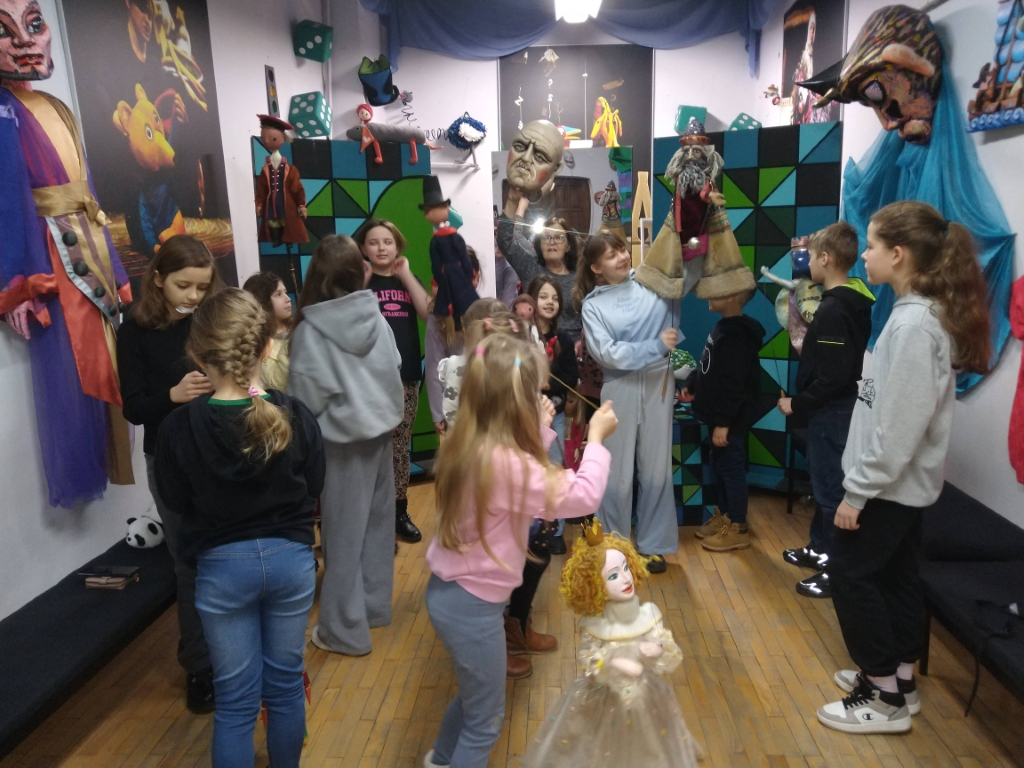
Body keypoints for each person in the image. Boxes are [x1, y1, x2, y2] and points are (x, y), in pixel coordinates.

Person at [816, 202, 991, 734]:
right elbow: (885, 407)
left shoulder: (915, 325)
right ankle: (901, 680)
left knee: (851, 576)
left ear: (897, 254)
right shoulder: (910, 315)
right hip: (896, 486)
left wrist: (856, 492)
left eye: (870, 246)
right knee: (895, 577)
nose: (863, 256)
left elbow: (898, 428)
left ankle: (883, 695)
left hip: (885, 489)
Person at [423, 334, 616, 768]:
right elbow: (581, 495)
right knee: (485, 721)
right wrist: (597, 440)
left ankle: (441, 760)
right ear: (516, 402)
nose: (544, 396)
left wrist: (541, 430)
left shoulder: (472, 440)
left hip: (456, 596)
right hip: (471, 607)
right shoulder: (507, 464)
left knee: (474, 700)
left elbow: (517, 475)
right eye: (537, 391)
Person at [154, 289, 324, 768]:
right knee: (285, 686)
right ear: (267, 347)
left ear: (197, 354)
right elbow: (315, 486)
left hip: (222, 571)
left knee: (235, 701)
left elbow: (175, 502)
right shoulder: (296, 415)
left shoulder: (177, 428)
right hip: (291, 564)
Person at [117, 235, 224, 713]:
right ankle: (200, 667)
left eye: (202, 287)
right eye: (184, 286)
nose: (194, 296)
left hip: (219, 451)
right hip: (170, 459)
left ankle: (238, 653)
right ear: (158, 278)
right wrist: (173, 396)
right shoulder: (135, 329)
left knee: (228, 554)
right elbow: (134, 408)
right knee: (190, 563)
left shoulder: (211, 320)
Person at [288, 234, 404, 657]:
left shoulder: (310, 330)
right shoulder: (375, 315)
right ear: (361, 271)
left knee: (341, 537)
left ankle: (344, 630)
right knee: (376, 528)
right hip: (380, 436)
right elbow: (394, 367)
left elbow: (304, 401)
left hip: (339, 445)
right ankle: (372, 609)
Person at [522, 520, 699, 768]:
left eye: (626, 568)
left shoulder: (648, 614)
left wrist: (657, 647)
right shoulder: (594, 626)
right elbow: (589, 659)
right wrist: (614, 662)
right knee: (599, 746)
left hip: (645, 694)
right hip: (603, 697)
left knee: (649, 742)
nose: (625, 578)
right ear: (594, 586)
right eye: (613, 576)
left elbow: (666, 644)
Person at [777, 222, 875, 598]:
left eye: (811, 257)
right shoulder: (844, 302)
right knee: (821, 486)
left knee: (831, 490)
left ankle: (837, 571)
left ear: (825, 258)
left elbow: (833, 376)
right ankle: (819, 548)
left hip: (832, 412)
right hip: (830, 411)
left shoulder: (835, 309)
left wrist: (796, 403)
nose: (806, 264)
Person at [577, 231, 679, 573]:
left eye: (621, 249)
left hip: (658, 382)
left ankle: (654, 545)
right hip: (618, 386)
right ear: (596, 267)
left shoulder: (652, 282)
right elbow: (607, 353)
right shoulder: (593, 305)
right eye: (611, 255)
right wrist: (655, 347)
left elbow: (684, 277)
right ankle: (614, 545)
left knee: (656, 468)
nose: (621, 257)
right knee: (615, 472)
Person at [354, 218, 430, 544]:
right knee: (371, 447)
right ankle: (373, 514)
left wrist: (406, 274)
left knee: (400, 446)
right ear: (363, 248)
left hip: (406, 376)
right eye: (373, 242)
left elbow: (427, 312)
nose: (381, 248)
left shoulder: (406, 280)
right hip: (368, 380)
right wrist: (362, 279)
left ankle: (400, 511)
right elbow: (349, 318)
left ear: (397, 246)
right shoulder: (360, 281)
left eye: (388, 241)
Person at [680, 286, 765, 553]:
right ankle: (726, 518)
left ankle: (738, 527)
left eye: (715, 291)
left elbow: (733, 385)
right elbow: (709, 365)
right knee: (719, 466)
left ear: (731, 295)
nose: (707, 295)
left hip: (729, 421)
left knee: (730, 470)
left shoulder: (737, 336)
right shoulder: (723, 327)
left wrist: (724, 423)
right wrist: (693, 382)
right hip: (718, 417)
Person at [526, 274, 579, 554]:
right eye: (544, 296)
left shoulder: (565, 339)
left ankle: (555, 530)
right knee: (529, 470)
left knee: (555, 468)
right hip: (525, 416)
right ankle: (529, 527)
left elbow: (571, 376)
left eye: (555, 298)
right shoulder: (521, 336)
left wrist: (548, 384)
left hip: (554, 415)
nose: (550, 302)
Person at [497, 204, 582, 341]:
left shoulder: (580, 275)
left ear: (568, 246)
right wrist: (512, 201)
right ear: (540, 244)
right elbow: (504, 240)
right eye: (546, 237)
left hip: (572, 346)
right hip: (534, 342)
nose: (551, 242)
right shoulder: (529, 265)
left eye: (558, 238)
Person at [424, 247, 480, 436]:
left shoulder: (484, 310)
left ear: (476, 277)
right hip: (455, 405)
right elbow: (434, 366)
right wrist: (438, 413)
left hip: (485, 400)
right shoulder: (437, 318)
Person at [242, 271, 293, 391]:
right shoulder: (260, 342)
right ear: (262, 301)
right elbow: (277, 383)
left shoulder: (296, 326)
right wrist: (291, 343)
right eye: (278, 294)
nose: (288, 299)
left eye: (285, 292)